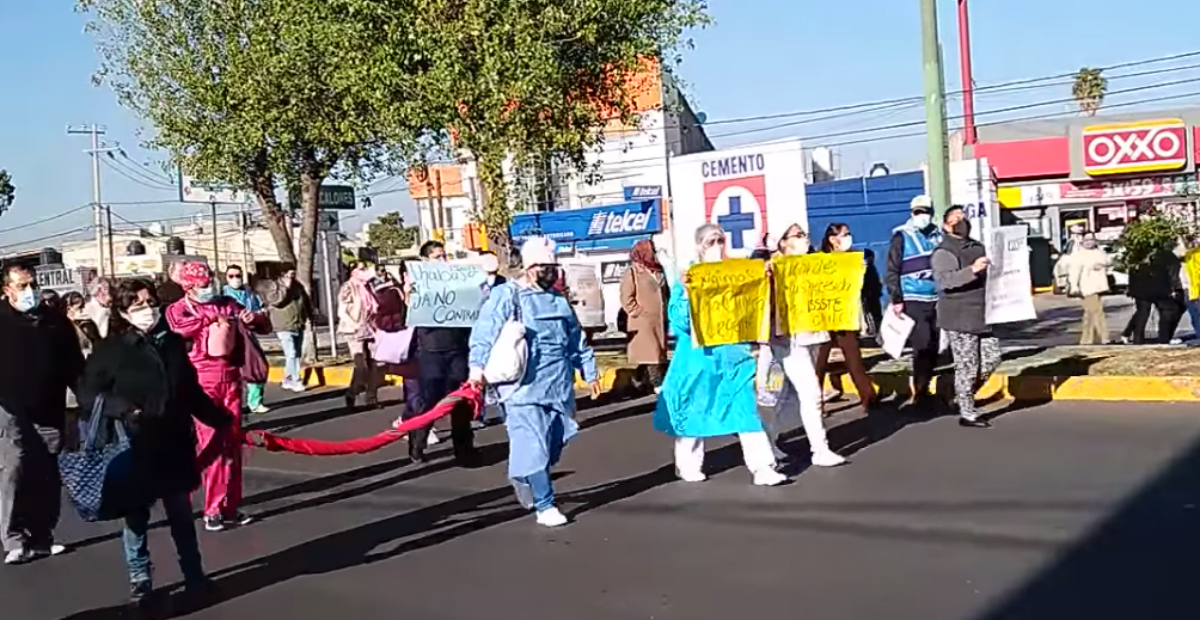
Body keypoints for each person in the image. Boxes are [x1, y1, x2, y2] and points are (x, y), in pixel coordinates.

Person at [76, 279, 226, 612]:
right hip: (135, 444)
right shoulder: (112, 349)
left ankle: (195, 577)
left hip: (173, 442)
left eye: (150, 302)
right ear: (125, 312)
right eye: (138, 305)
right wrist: (125, 409)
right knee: (136, 518)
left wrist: (221, 421)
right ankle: (140, 580)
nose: (148, 310)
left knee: (181, 517)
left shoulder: (172, 344)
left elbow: (190, 392)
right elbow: (88, 393)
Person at [468, 235, 601, 527]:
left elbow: (576, 340)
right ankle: (545, 504)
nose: (551, 271)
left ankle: (523, 473)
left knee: (553, 445)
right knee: (533, 446)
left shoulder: (558, 300)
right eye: (544, 266)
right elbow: (484, 333)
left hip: (558, 387)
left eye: (554, 266)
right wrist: (476, 370)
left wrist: (589, 370)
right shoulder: (507, 296)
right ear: (529, 267)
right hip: (520, 390)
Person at [654, 223, 787, 487]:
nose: (715, 247)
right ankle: (688, 464)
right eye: (709, 242)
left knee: (746, 410)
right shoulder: (690, 277)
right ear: (699, 246)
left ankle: (763, 467)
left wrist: (765, 278)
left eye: (719, 241)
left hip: (733, 356)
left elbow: (751, 305)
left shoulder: (734, 273)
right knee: (694, 411)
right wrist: (686, 294)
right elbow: (678, 321)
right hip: (698, 359)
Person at [166, 261, 266, 531]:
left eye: (210, 281)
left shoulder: (227, 303)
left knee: (233, 445)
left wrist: (252, 318)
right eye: (202, 284)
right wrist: (207, 318)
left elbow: (261, 323)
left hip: (231, 380)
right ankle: (210, 508)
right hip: (202, 382)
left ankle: (230, 506)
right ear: (188, 286)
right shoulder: (178, 309)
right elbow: (178, 330)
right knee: (211, 446)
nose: (208, 287)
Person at [0, 264, 85, 564]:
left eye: (32, 284)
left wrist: (85, 400)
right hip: (10, 408)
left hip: (49, 406)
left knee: (47, 473)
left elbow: (75, 365)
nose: (29, 292)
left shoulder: (54, 321)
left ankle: (42, 536)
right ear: (6, 289)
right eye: (21, 286)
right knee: (15, 468)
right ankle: (14, 538)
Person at [768, 225, 846, 467]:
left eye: (805, 235)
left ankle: (766, 441)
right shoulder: (771, 268)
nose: (804, 240)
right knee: (810, 393)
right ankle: (820, 450)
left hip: (812, 336)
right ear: (782, 242)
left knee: (784, 397)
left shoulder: (812, 264)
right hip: (787, 341)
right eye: (798, 236)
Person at [406, 241, 478, 466]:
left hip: (458, 350)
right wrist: (410, 296)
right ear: (426, 260)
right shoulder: (419, 285)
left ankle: (465, 451)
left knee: (461, 403)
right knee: (430, 402)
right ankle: (417, 445)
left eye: (444, 255)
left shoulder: (459, 283)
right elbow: (408, 317)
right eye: (437, 256)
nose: (442, 260)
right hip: (431, 352)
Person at [931, 206, 1000, 429]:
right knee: (967, 365)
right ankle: (967, 413)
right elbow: (945, 281)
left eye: (963, 217)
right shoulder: (944, 251)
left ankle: (959, 394)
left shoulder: (977, 246)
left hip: (983, 313)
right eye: (955, 219)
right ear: (945, 226)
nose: (961, 222)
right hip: (959, 315)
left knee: (992, 358)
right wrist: (972, 270)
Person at [884, 195, 944, 407]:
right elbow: (892, 269)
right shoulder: (901, 236)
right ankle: (919, 390)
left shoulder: (938, 235)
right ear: (912, 213)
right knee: (922, 342)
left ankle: (925, 385)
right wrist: (897, 298)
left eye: (926, 212)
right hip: (913, 298)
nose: (922, 216)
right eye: (918, 212)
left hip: (936, 298)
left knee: (935, 346)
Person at [814, 223, 877, 411]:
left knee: (854, 359)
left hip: (844, 317)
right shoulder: (819, 261)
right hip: (824, 317)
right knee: (820, 363)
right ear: (833, 240)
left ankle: (868, 397)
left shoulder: (853, 259)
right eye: (845, 234)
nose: (849, 238)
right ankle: (816, 404)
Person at [620, 239, 669, 394]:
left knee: (655, 354)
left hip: (659, 320)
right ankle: (658, 385)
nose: (654, 253)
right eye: (651, 250)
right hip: (643, 322)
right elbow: (626, 297)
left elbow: (665, 292)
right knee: (651, 353)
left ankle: (638, 380)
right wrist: (638, 312)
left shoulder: (658, 270)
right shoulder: (633, 272)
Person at [223, 265, 270, 414]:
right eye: (231, 276)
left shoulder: (250, 294)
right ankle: (229, 405)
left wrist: (256, 317)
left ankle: (255, 402)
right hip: (229, 337)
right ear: (226, 278)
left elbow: (261, 311)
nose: (235, 279)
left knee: (256, 368)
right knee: (230, 373)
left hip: (248, 336)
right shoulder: (222, 295)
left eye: (238, 275)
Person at [338, 261, 381, 411]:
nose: (364, 272)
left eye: (365, 269)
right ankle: (352, 393)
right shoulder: (348, 287)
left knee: (375, 365)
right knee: (361, 366)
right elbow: (342, 311)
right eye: (361, 269)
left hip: (370, 328)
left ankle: (371, 399)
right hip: (354, 329)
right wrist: (353, 324)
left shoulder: (368, 287)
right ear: (353, 271)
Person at [268, 265, 312, 392]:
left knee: (296, 354)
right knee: (291, 353)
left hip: (298, 324)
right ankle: (296, 380)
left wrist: (309, 315)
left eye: (293, 275)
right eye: (288, 275)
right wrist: (285, 287)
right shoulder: (274, 286)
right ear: (282, 274)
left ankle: (287, 379)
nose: (291, 278)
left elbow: (305, 301)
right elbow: (276, 301)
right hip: (283, 325)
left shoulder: (298, 286)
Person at [1067, 232, 1112, 345]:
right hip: (1087, 287)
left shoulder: (1099, 252)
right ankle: (1104, 337)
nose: (1089, 242)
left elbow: (1108, 261)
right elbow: (1074, 272)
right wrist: (1074, 286)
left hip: (1099, 287)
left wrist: (1101, 264)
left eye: (1091, 239)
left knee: (1090, 314)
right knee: (1097, 312)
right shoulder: (1078, 255)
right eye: (1086, 240)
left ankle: (1087, 339)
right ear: (1082, 241)